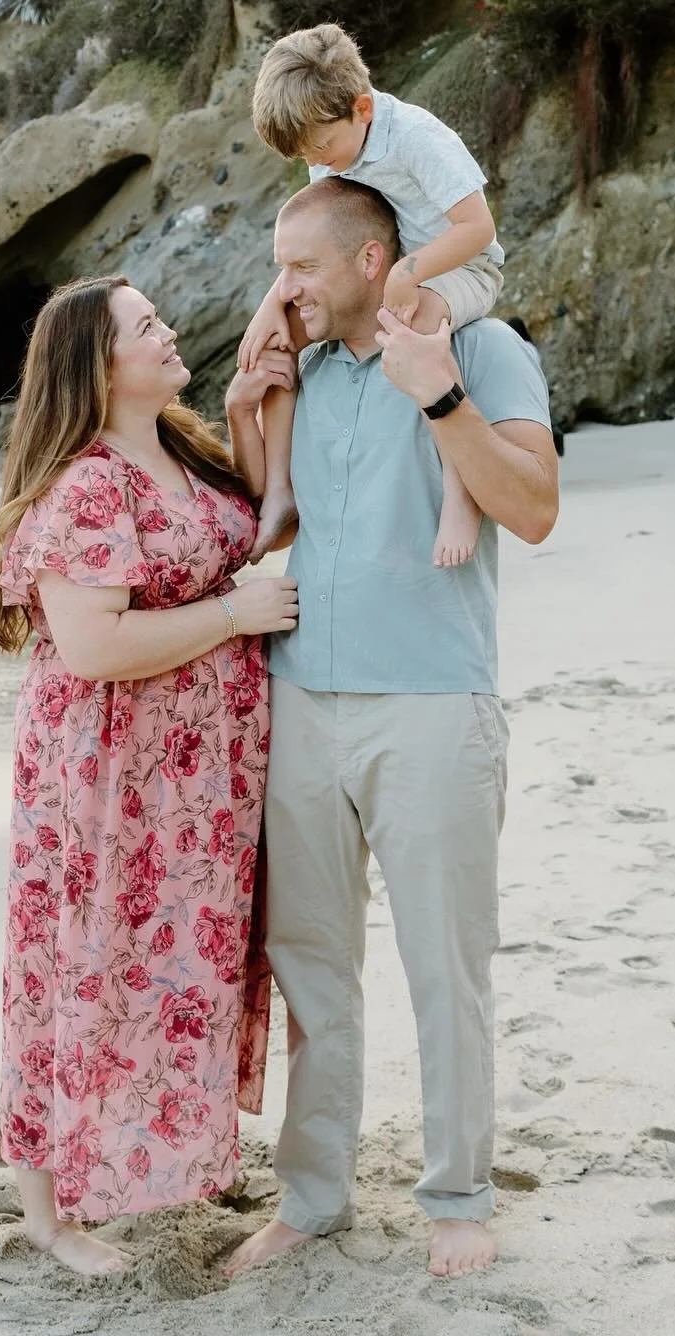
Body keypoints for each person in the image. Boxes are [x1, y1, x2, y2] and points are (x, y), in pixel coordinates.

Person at [222, 177, 558, 1281]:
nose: (286, 288)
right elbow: (262, 521)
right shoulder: (305, 376)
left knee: (442, 965)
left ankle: (458, 1196)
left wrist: (440, 398)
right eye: (279, 268)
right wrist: (245, 398)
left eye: (302, 268)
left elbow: (535, 507)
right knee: (313, 968)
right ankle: (313, 1198)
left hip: (429, 706)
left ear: (372, 262)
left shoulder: (488, 347)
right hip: (302, 703)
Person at [0, 276, 299, 1276]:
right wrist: (232, 619)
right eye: (145, 327)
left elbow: (254, 529)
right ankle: (49, 1215)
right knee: (75, 970)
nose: (167, 331)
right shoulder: (88, 487)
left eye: (162, 315)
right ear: (98, 366)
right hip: (111, 786)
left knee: (162, 978)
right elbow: (93, 647)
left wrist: (250, 414)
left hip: (190, 794)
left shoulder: (179, 450)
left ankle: (146, 1155)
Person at [240, 23, 505, 568]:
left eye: (323, 146)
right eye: (308, 154)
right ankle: (282, 488)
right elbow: (318, 231)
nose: (321, 162)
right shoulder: (332, 146)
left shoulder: (416, 138)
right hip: (386, 272)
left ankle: (460, 493)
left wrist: (411, 270)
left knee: (421, 319)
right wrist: (274, 304)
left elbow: (477, 227)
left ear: (361, 108)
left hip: (460, 267)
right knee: (279, 337)